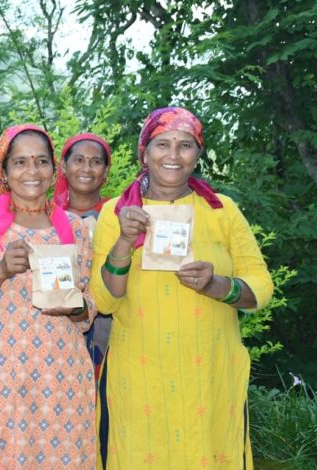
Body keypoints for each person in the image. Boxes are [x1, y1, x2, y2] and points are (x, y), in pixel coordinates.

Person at [92, 107, 274, 469]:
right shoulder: (117, 213)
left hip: (209, 374)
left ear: (197, 155)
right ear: (144, 152)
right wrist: (125, 242)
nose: (173, 156)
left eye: (185, 145)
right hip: (139, 377)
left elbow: (261, 288)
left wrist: (217, 285)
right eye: (162, 144)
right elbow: (104, 300)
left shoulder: (223, 211)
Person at [0, 124, 97, 468]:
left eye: (41, 161)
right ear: (4, 170)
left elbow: (89, 309)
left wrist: (74, 307)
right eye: (20, 162)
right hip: (2, 380)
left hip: (64, 379)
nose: (32, 171)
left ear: (53, 170)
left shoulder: (74, 228)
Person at [53, 133, 113, 378]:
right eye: (78, 160)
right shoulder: (45, 217)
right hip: (60, 327)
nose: (86, 168)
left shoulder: (119, 215)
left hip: (110, 326)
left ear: (106, 171)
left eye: (95, 161)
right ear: (64, 167)